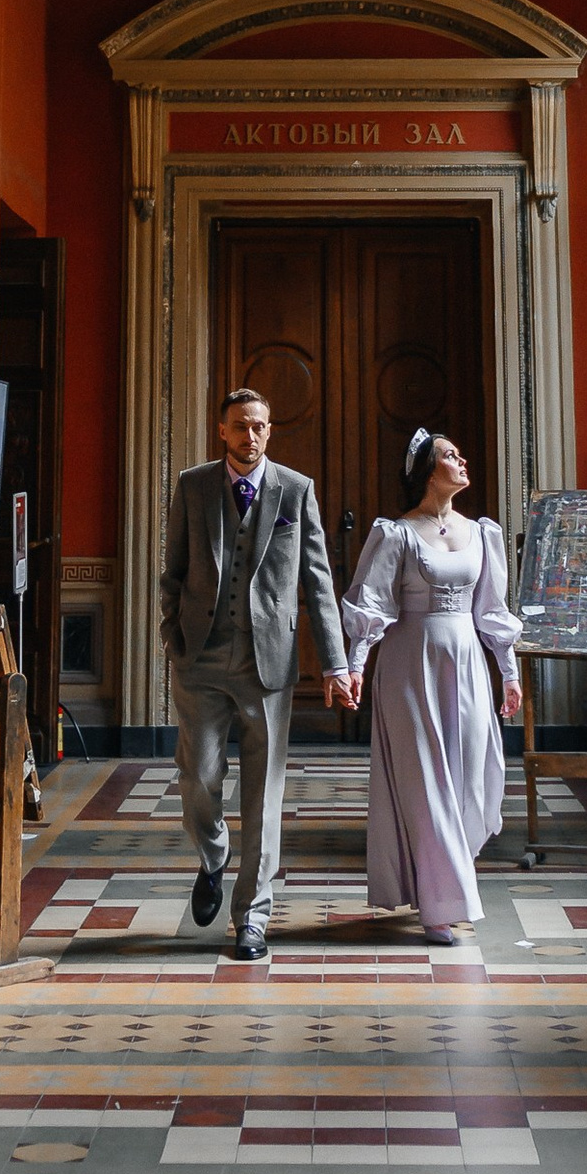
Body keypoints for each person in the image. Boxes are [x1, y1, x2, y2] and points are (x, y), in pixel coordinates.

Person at [159, 385, 352, 960]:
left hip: (268, 665)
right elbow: (172, 574)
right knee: (199, 777)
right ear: (223, 431)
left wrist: (335, 662)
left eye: (260, 426)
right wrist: (174, 640)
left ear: (270, 430)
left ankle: (253, 917)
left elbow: (318, 581)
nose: (251, 435)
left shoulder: (296, 491)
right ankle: (213, 855)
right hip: (200, 662)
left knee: (264, 795)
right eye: (241, 425)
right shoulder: (192, 486)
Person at [339, 429, 523, 944]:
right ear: (427, 469)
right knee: (426, 782)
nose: (462, 459)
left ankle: (440, 883)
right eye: (450, 454)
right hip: (408, 665)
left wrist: (507, 672)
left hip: (464, 664)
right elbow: (370, 604)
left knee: (469, 775)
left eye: (460, 453)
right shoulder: (395, 534)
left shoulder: (483, 532)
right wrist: (356, 664)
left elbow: (492, 610)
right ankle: (442, 905)